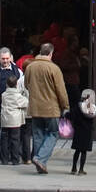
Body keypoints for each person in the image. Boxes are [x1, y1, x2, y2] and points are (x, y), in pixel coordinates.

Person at [24, 42, 69, 174]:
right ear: (50, 54)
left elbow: (27, 85)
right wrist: (65, 106)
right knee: (53, 134)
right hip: (51, 108)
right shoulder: (54, 68)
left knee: (37, 135)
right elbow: (61, 90)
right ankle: (40, 159)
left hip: (35, 107)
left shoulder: (30, 67)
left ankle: (39, 163)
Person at [0, 73, 28, 165]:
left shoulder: (3, 95)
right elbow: (26, 103)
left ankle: (4, 159)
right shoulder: (18, 96)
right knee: (15, 139)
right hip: (15, 121)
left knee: (4, 139)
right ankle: (15, 159)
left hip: (5, 120)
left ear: (6, 84)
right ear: (16, 84)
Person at [69, 88, 96, 174]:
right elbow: (94, 114)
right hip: (87, 132)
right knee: (84, 152)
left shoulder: (78, 106)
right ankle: (81, 169)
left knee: (77, 151)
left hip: (78, 131)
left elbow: (71, 115)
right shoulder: (91, 107)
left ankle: (74, 168)